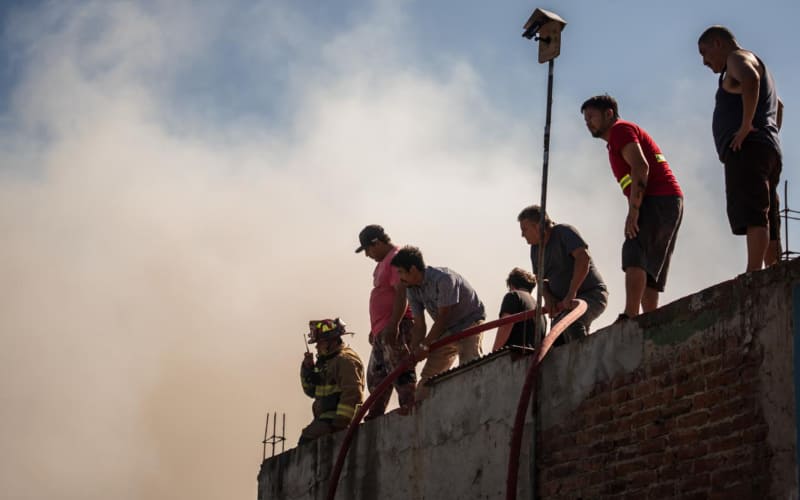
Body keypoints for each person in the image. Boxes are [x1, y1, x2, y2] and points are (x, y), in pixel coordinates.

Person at [581, 94, 683, 320]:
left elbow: (640, 167)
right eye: (585, 118)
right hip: (667, 201)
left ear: (609, 114)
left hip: (656, 199)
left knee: (635, 252)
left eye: (591, 116)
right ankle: (649, 318)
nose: (588, 122)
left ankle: (631, 314)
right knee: (651, 263)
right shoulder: (616, 139)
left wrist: (634, 211)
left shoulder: (620, 130)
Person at [698, 26, 783, 272]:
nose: (704, 61)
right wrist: (770, 135)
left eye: (705, 53)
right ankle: (773, 268)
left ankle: (754, 272)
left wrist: (746, 126)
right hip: (765, 148)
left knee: (754, 212)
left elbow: (750, 78)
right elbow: (779, 106)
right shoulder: (754, 64)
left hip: (749, 149)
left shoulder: (737, 57)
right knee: (767, 212)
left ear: (717, 43)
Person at [390, 245, 486, 400]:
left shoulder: (444, 279)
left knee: (470, 364)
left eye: (401, 272)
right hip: (447, 330)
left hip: (469, 322)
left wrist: (424, 346)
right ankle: (419, 408)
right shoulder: (412, 290)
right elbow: (420, 326)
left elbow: (443, 318)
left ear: (413, 269)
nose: (399, 278)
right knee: (429, 377)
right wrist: (413, 353)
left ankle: (475, 400)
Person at [518, 205, 608, 343]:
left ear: (537, 227)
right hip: (564, 305)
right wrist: (548, 298)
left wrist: (571, 293)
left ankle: (583, 361)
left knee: (571, 323)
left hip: (591, 295)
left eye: (525, 229)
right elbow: (540, 279)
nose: (522, 235)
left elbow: (583, 258)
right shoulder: (535, 250)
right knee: (554, 340)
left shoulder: (563, 232)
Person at [354, 225, 416, 418]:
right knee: (377, 374)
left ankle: (409, 405)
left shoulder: (396, 258)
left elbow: (401, 292)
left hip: (395, 325)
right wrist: (376, 329)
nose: (367, 255)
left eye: (368, 249)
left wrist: (394, 324)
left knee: (400, 367)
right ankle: (376, 412)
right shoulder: (382, 264)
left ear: (377, 243)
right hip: (383, 328)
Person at [298, 318, 365, 445]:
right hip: (325, 419)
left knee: (307, 440)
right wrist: (307, 369)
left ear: (332, 341)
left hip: (336, 420)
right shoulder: (326, 362)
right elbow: (310, 391)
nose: (317, 347)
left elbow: (353, 393)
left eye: (320, 343)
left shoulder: (345, 360)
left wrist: (340, 424)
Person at [492, 267, 547, 351]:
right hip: (532, 357)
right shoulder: (539, 308)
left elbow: (506, 324)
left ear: (512, 285)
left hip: (513, 357)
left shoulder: (513, 295)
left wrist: (494, 352)